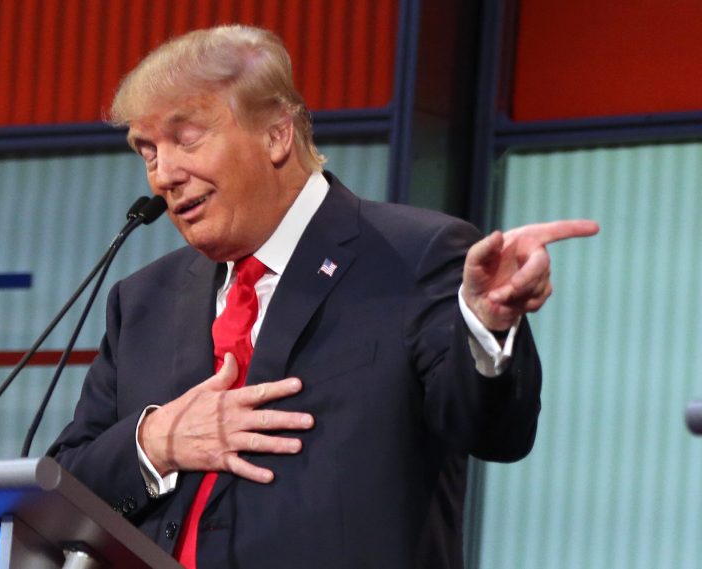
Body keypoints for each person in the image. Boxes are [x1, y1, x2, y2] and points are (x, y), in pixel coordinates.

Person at [49, 24, 598, 569]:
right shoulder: (142, 300)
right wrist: (158, 440)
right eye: (147, 152)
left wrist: (485, 325)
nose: (163, 176)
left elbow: (495, 432)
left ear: (276, 135)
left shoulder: (414, 254)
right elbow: (64, 488)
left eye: (186, 138)